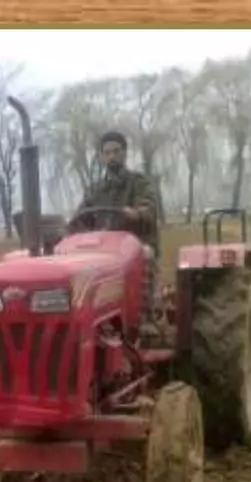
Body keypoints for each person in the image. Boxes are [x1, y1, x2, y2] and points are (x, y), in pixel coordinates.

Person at [81, 129, 162, 334]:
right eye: (107, 153)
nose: (112, 156)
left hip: (135, 243)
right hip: (104, 249)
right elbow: (81, 217)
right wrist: (68, 228)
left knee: (145, 253)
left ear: (125, 153)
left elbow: (149, 207)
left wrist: (137, 213)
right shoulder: (95, 189)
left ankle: (144, 317)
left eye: (116, 151)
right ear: (101, 157)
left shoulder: (140, 182)